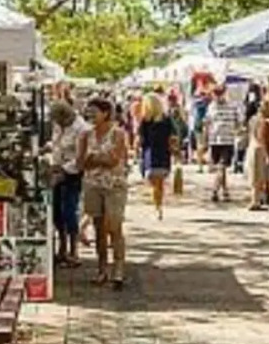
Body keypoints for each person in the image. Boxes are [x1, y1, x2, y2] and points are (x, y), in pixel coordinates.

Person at [78, 96, 130, 290]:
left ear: (106, 113)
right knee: (99, 228)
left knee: (114, 226)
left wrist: (93, 158)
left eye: (94, 112)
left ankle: (118, 269)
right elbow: (80, 162)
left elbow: (114, 160)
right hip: (92, 185)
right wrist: (98, 159)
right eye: (88, 112)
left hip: (114, 186)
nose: (90, 115)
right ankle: (102, 269)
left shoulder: (118, 133)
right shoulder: (86, 135)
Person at [46, 99, 86, 268]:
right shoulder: (58, 126)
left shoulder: (81, 128)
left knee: (69, 210)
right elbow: (56, 144)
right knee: (56, 210)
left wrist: (64, 170)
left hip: (72, 173)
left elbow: (80, 158)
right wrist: (47, 149)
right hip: (57, 169)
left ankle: (73, 250)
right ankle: (61, 247)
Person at [136, 93, 177, 220]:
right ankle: (158, 206)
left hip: (150, 154)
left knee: (154, 183)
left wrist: (136, 150)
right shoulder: (166, 119)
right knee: (159, 183)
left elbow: (140, 140)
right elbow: (173, 137)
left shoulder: (145, 121)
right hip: (163, 154)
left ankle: (157, 207)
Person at [204, 95, 241, 202]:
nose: (217, 96)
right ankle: (225, 191)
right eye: (216, 93)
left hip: (227, 141)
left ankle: (215, 190)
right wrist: (206, 139)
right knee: (221, 167)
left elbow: (238, 122)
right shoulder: (211, 106)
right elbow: (207, 124)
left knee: (221, 166)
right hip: (215, 141)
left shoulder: (232, 106)